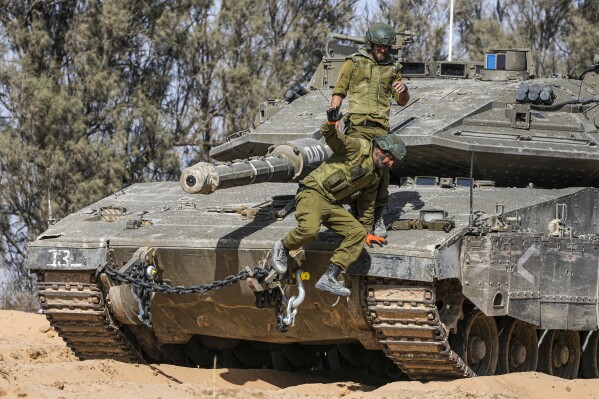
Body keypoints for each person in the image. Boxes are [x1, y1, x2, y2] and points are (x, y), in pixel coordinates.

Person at [270, 106, 406, 297]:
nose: (391, 164)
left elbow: (367, 206)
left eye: (394, 161)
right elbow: (333, 138)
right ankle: (283, 246)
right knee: (309, 231)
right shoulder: (357, 148)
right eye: (391, 158)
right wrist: (331, 122)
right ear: (381, 149)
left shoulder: (375, 176)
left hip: (333, 204)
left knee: (357, 232)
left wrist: (367, 232)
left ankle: (330, 277)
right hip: (314, 192)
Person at [330, 22, 410, 239]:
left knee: (382, 171)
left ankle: (379, 213)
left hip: (381, 127)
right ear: (370, 44)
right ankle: (355, 212)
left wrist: (404, 90)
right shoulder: (354, 63)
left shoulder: (394, 69)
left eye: (386, 48)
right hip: (357, 125)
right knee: (359, 167)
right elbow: (340, 90)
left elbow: (402, 101)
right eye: (379, 46)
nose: (383, 50)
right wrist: (334, 115)